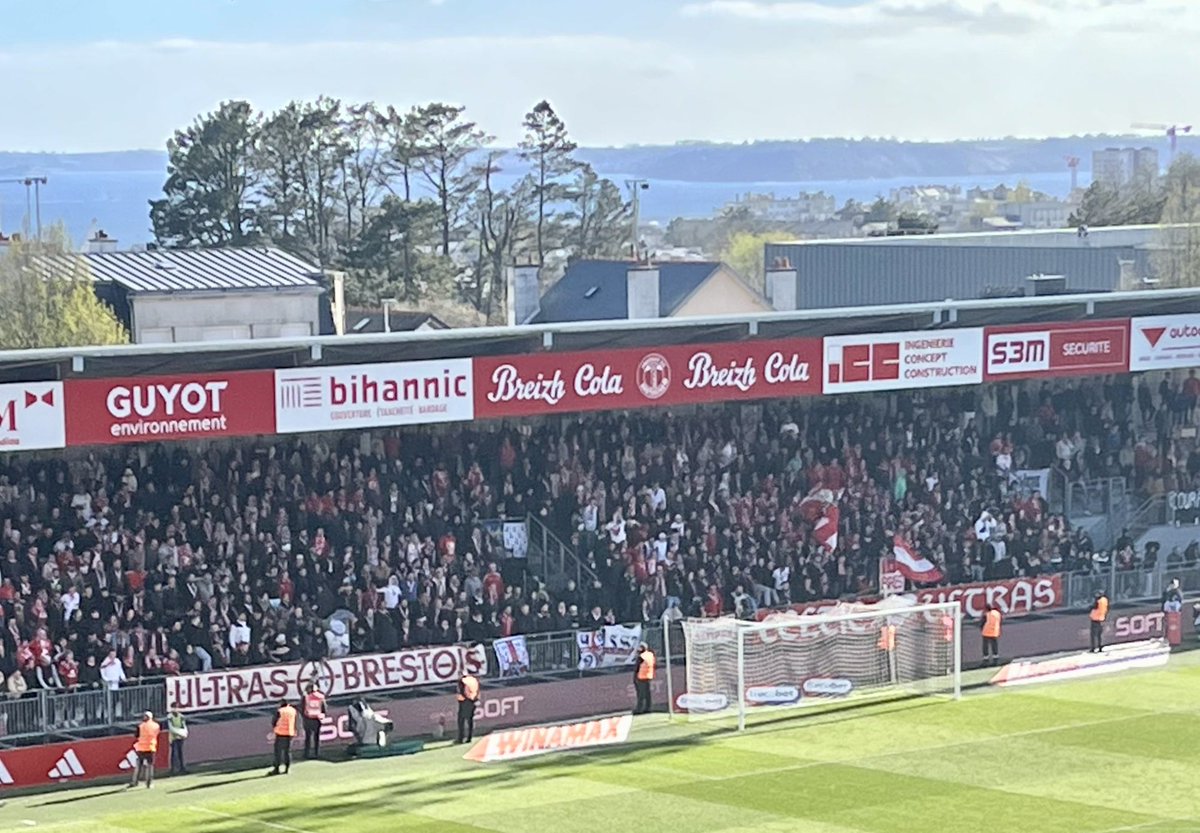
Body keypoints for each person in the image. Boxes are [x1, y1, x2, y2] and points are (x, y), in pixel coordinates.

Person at [128, 711, 160, 790]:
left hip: (141, 748)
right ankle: (149, 783)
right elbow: (157, 734)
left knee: (139, 766)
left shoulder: (140, 726)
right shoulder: (156, 726)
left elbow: (136, 735)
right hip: (151, 747)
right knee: (150, 766)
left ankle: (135, 782)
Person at [269, 699, 298, 775]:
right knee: (287, 752)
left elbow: (274, 721)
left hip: (280, 733)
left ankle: (276, 768)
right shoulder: (293, 710)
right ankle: (287, 769)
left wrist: (275, 728)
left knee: (278, 752)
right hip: (290, 733)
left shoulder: (280, 711)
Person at [302, 683, 327, 760]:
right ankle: (317, 753)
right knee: (317, 737)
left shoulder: (306, 697)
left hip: (308, 718)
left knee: (308, 738)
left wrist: (304, 716)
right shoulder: (321, 697)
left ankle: (307, 754)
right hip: (317, 719)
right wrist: (322, 715)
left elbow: (302, 707)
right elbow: (324, 708)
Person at [456, 671, 480, 744]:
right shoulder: (473, 680)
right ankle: (469, 737)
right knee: (470, 721)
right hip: (473, 701)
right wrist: (475, 699)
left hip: (465, 702)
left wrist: (465, 698)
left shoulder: (462, 681)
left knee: (461, 721)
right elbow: (477, 690)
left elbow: (463, 692)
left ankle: (461, 738)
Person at [633, 642, 655, 715]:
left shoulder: (641, 656)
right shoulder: (650, 654)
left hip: (641, 677)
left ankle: (639, 709)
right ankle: (648, 707)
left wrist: (635, 676)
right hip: (648, 676)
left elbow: (637, 667)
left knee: (641, 695)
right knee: (647, 694)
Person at [167, 707, 189, 775]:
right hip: (173, 738)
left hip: (180, 737)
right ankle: (173, 769)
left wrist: (185, 733)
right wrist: (180, 733)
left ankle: (182, 768)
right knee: (174, 753)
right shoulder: (170, 717)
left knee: (180, 753)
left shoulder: (181, 716)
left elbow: (184, 726)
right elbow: (171, 728)